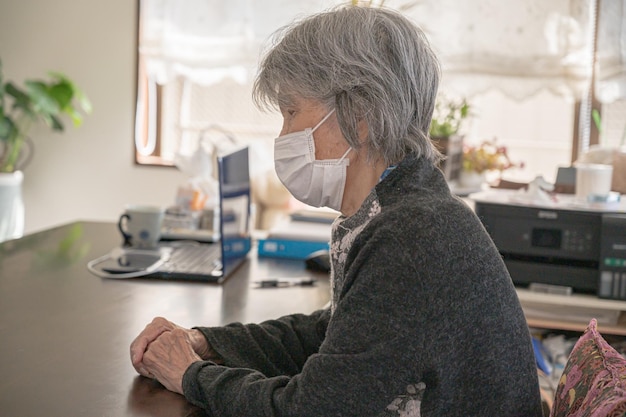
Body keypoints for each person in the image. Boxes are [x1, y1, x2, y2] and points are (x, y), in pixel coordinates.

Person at [130, 5, 544, 416]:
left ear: (359, 116)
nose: (284, 134)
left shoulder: (414, 234)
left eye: (291, 112)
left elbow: (312, 409)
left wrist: (191, 373)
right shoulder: (406, 208)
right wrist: (210, 342)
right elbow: (336, 334)